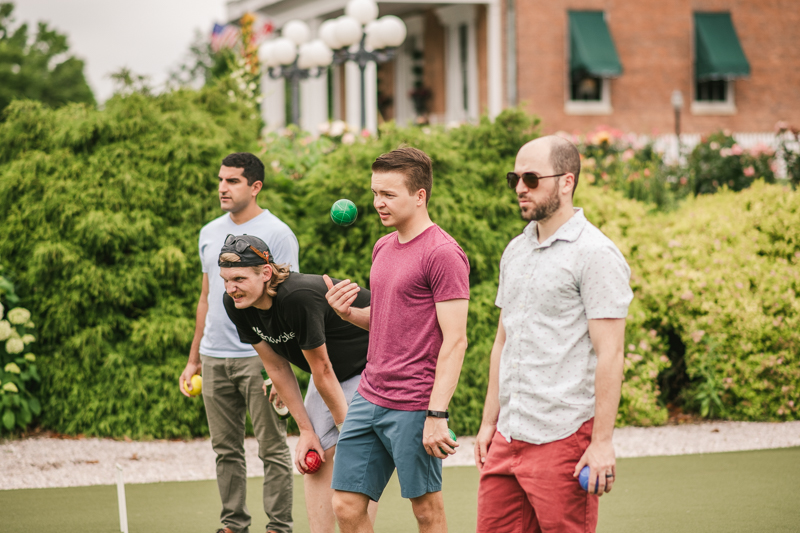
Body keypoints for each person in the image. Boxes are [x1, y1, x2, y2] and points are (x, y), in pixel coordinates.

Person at [473, 136, 633, 533]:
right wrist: (488, 422)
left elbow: (610, 354)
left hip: (563, 437)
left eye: (530, 178)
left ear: (566, 181)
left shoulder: (596, 254)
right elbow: (502, 341)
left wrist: (601, 442)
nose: (520, 188)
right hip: (508, 436)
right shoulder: (515, 251)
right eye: (515, 178)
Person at [324, 147, 470, 533]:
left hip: (414, 404)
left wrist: (437, 414)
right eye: (375, 193)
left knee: (425, 512)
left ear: (419, 196)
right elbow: (391, 320)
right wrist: (348, 314)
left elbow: (456, 341)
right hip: (369, 395)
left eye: (388, 194)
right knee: (345, 505)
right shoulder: (383, 246)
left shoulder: (443, 254)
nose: (377, 203)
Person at [218, 234, 379, 533]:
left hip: (375, 364)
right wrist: (305, 431)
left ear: (266, 273)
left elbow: (322, 368)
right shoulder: (235, 303)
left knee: (353, 454)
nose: (231, 288)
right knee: (313, 454)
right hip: (331, 372)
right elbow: (276, 365)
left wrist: (349, 434)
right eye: (225, 280)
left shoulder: (297, 296)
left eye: (238, 278)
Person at [179, 152, 298, 533]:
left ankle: (278, 526)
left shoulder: (278, 233)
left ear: (255, 186)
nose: (222, 188)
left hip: (259, 357)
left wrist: (281, 362)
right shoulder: (209, 232)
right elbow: (206, 297)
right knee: (225, 450)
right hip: (214, 357)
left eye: (232, 181)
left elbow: (287, 300)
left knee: (272, 448)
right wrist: (194, 357)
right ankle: (233, 524)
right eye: (220, 180)